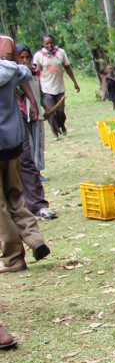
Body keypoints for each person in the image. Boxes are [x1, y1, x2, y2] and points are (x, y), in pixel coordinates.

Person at [0, 56, 49, 273]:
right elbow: (27, 73)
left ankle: (13, 258)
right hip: (11, 144)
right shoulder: (9, 70)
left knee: (0, 207)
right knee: (15, 197)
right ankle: (34, 238)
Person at [14, 45, 54, 220]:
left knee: (27, 159)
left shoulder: (25, 72)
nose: (24, 61)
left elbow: (30, 87)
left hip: (20, 116)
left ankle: (37, 205)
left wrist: (37, 104)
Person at [33, 34, 79, 138]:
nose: (49, 45)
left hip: (59, 88)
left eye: (51, 43)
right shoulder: (39, 56)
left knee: (61, 112)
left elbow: (67, 67)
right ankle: (55, 133)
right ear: (43, 44)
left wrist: (75, 82)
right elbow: (36, 72)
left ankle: (62, 125)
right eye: (47, 43)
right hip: (46, 89)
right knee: (51, 111)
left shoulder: (60, 52)